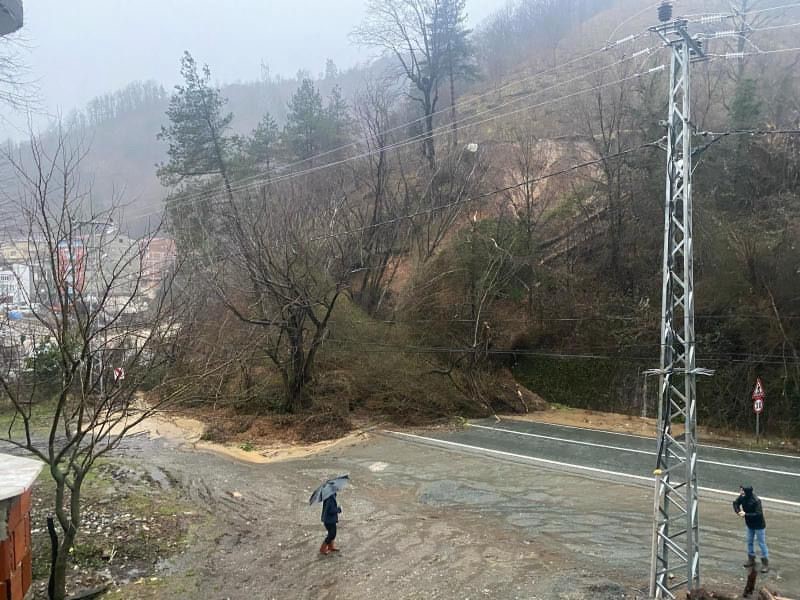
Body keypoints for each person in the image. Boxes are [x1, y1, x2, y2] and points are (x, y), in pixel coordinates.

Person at [732, 485, 769, 573]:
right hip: (749, 524)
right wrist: (738, 512)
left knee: (761, 543)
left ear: (747, 492)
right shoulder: (742, 497)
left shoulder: (756, 500)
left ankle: (765, 563)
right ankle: (751, 559)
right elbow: (735, 503)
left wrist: (745, 514)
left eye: (742, 491)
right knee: (749, 541)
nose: (740, 493)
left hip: (759, 525)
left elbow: (758, 514)